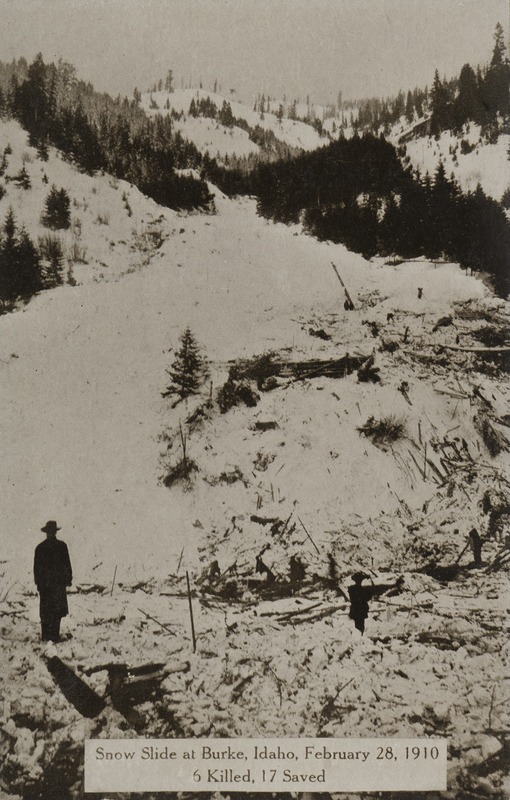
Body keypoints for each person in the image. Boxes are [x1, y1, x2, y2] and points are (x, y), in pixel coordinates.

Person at [34, 520, 72, 642]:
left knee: (53, 611)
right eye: (50, 532)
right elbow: (37, 568)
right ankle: (48, 636)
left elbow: (66, 564)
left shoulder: (45, 547)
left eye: (52, 532)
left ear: (54, 532)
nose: (51, 534)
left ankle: (51, 636)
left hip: (53, 585)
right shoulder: (44, 548)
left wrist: (67, 578)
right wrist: (39, 583)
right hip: (51, 586)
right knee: (50, 611)